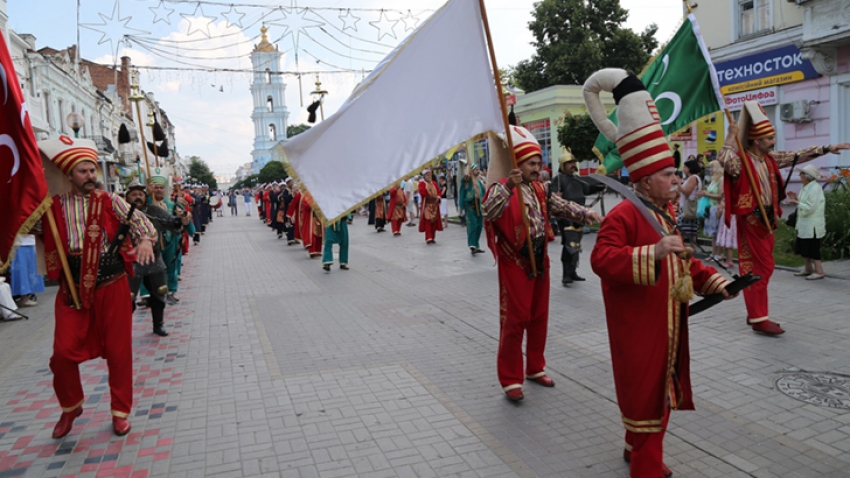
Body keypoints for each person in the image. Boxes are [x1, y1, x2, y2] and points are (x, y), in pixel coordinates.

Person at [584, 67, 737, 478]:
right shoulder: (623, 215)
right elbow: (601, 260)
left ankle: (636, 449)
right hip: (638, 327)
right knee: (647, 395)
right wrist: (651, 251)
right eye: (668, 175)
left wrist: (716, 281)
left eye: (674, 174)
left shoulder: (661, 211)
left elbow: (682, 259)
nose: (677, 180)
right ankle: (646, 467)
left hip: (665, 323)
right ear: (647, 180)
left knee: (658, 391)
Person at [38, 136, 156, 438]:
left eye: (93, 170)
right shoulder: (53, 207)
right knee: (62, 354)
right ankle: (71, 407)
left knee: (118, 352)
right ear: (69, 175)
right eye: (83, 171)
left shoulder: (110, 200)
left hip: (111, 284)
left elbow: (143, 224)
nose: (91, 176)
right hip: (72, 289)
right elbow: (26, 225)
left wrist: (144, 240)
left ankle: (120, 412)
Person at [482, 126, 602, 402]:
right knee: (514, 321)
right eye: (532, 163)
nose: (538, 168)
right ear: (518, 165)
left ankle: (535, 367)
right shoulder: (500, 188)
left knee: (539, 318)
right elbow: (489, 211)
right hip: (516, 262)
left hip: (541, 260)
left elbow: (561, 207)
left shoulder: (539, 189)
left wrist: (587, 214)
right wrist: (510, 185)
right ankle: (510, 379)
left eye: (538, 162)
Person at [719, 101, 849, 336]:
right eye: (769, 138)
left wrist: (828, 148)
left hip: (768, 221)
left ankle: (755, 314)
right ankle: (759, 318)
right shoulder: (741, 160)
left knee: (764, 268)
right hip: (751, 221)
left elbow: (797, 155)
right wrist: (730, 137)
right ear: (757, 141)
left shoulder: (770, 159)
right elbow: (724, 160)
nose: (773, 142)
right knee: (760, 268)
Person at [549, 148, 604, 285]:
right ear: (563, 165)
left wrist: (601, 186)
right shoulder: (558, 180)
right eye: (569, 163)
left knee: (576, 246)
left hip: (579, 217)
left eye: (574, 162)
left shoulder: (576, 179)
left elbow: (587, 189)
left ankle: (573, 272)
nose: (573, 165)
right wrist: (556, 196)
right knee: (569, 245)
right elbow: (553, 198)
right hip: (566, 217)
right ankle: (566, 275)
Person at [125, 179, 171, 337]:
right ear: (127, 197)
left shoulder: (153, 210)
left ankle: (158, 325)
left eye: (140, 194)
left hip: (153, 259)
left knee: (159, 293)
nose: (137, 197)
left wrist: (179, 220)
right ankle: (124, 331)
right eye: (133, 194)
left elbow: (170, 222)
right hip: (130, 261)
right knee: (126, 298)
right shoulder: (120, 211)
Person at [148, 175, 193, 305]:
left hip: (169, 239)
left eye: (161, 188)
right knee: (149, 269)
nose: (158, 190)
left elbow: (181, 218)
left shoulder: (171, 204)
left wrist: (184, 216)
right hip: (151, 242)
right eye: (155, 188)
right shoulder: (147, 203)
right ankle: (149, 295)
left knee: (170, 266)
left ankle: (171, 292)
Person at [787, 164, 826, 280]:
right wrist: (796, 199)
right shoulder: (806, 187)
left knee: (813, 248)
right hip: (804, 224)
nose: (799, 176)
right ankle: (808, 268)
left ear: (807, 176)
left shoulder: (815, 188)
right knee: (803, 246)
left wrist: (797, 203)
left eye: (801, 174)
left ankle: (819, 272)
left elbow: (811, 207)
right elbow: (804, 202)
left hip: (812, 225)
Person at [698, 161, 724, 260]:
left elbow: (720, 196)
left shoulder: (721, 179)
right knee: (713, 233)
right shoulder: (713, 180)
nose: (710, 170)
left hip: (717, 208)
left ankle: (719, 253)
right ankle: (713, 253)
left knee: (717, 232)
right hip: (710, 209)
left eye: (712, 168)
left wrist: (706, 194)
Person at [10, 234, 45, 306]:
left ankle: (28, 295)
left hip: (30, 242)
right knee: (22, 271)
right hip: (18, 243)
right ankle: (24, 298)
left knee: (31, 271)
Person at [459, 164, 486, 254]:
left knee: (479, 226)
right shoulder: (468, 181)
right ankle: (472, 244)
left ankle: (477, 245)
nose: (478, 170)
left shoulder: (479, 181)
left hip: (479, 205)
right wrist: (468, 170)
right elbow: (465, 178)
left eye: (478, 169)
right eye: (475, 169)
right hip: (470, 205)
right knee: (473, 225)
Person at [677, 160, 702, 250]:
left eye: (685, 167)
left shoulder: (693, 178)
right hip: (690, 207)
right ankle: (692, 248)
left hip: (687, 207)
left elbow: (687, 192)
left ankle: (685, 248)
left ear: (690, 168)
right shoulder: (694, 177)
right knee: (692, 231)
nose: (683, 169)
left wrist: (679, 185)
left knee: (683, 230)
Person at [418, 170, 443, 244]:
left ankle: (433, 237)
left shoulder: (434, 183)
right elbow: (422, 192)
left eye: (430, 175)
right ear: (424, 176)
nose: (429, 176)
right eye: (427, 175)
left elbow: (439, 191)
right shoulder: (422, 184)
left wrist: (438, 197)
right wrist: (427, 191)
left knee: (434, 222)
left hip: (434, 205)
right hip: (427, 205)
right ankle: (428, 238)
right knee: (428, 221)